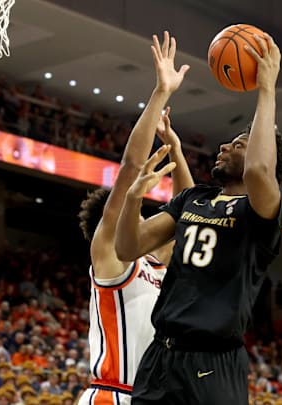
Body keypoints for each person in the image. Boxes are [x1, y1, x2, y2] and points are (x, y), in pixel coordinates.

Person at [115, 32, 282, 405]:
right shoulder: (194, 198)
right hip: (160, 357)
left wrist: (266, 90)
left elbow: (260, 171)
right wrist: (133, 199)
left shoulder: (264, 210)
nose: (225, 145)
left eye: (239, 144)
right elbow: (127, 246)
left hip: (213, 361)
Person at [76, 31, 194, 405]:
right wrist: (161, 93)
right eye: (137, 213)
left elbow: (187, 215)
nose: (141, 222)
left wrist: (175, 149)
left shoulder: (155, 264)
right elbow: (128, 169)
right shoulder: (110, 257)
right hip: (109, 396)